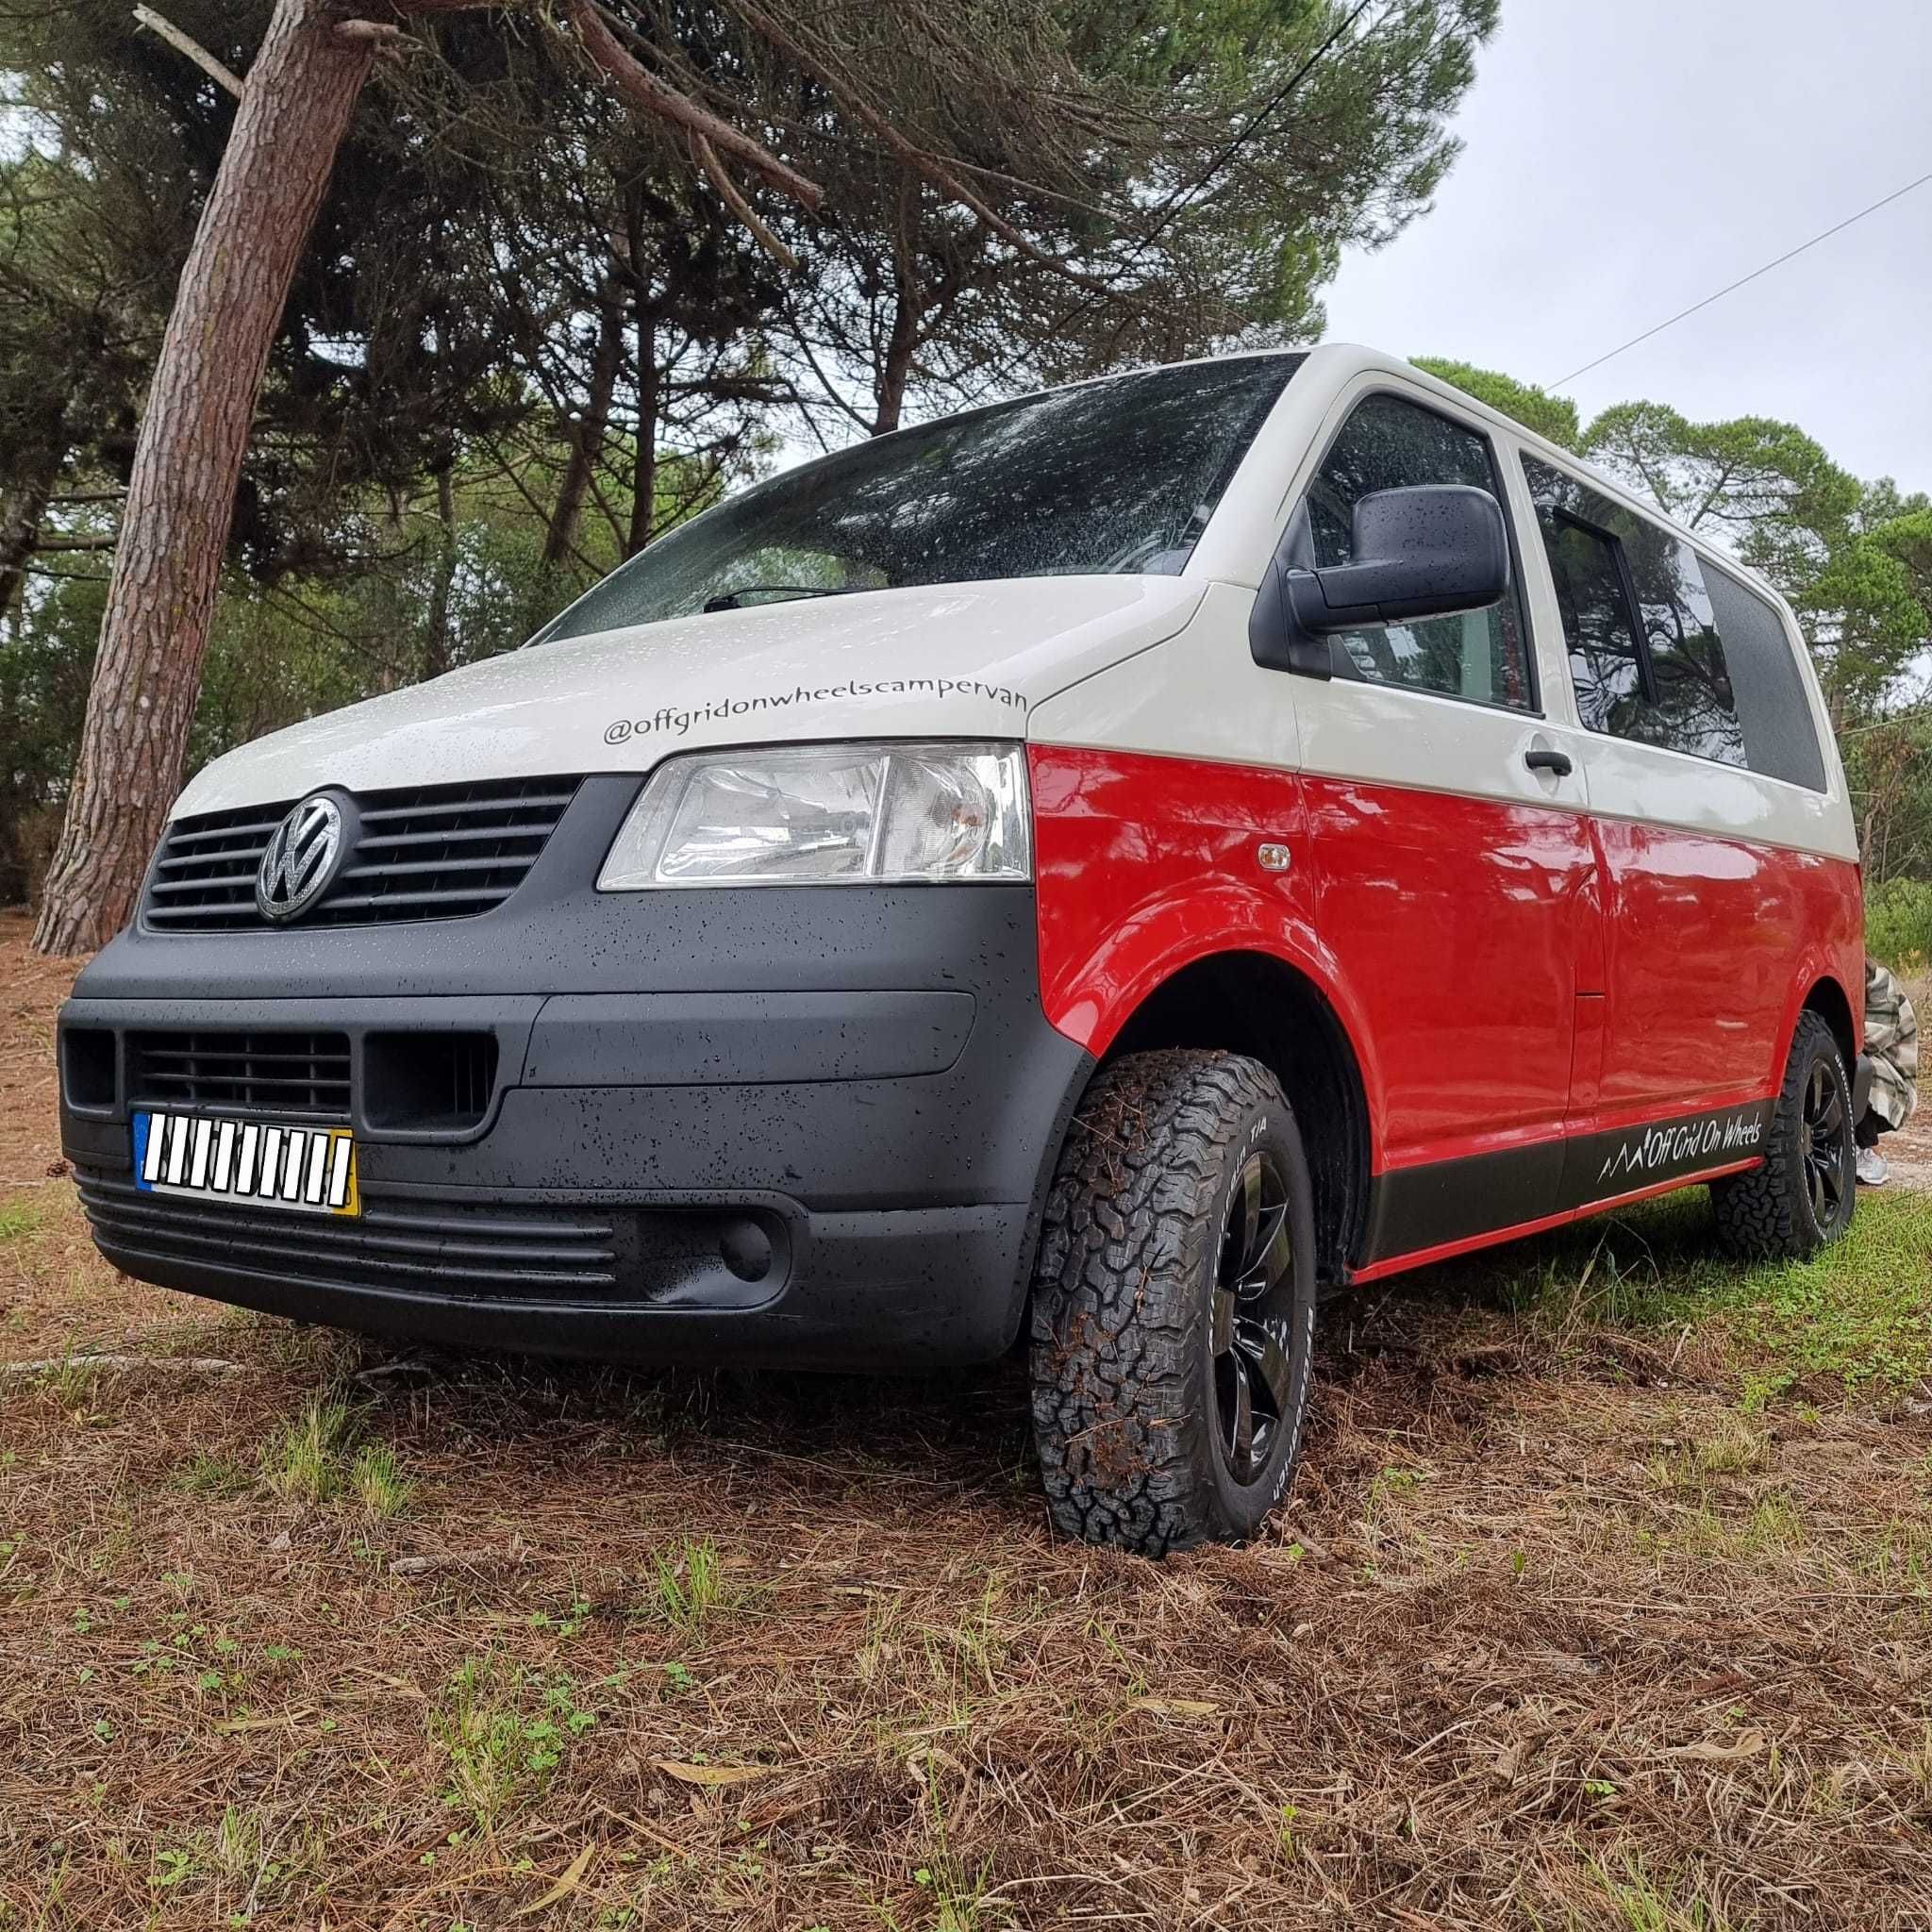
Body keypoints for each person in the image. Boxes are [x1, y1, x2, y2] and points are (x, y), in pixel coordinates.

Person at [1858, 958, 1920, 1186]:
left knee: (1845, 1062)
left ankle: (1867, 1152)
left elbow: (1874, 1038)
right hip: (1873, 1071)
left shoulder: (1879, 982)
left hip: (1893, 1085)